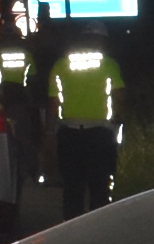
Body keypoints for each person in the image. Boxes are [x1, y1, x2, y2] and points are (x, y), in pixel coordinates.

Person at [49, 38, 123, 215]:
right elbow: (119, 95)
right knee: (100, 185)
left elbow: (53, 100)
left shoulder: (61, 64)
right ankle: (98, 227)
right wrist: (118, 120)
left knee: (73, 187)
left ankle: (72, 228)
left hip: (69, 133)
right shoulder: (108, 64)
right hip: (101, 133)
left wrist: (49, 131)